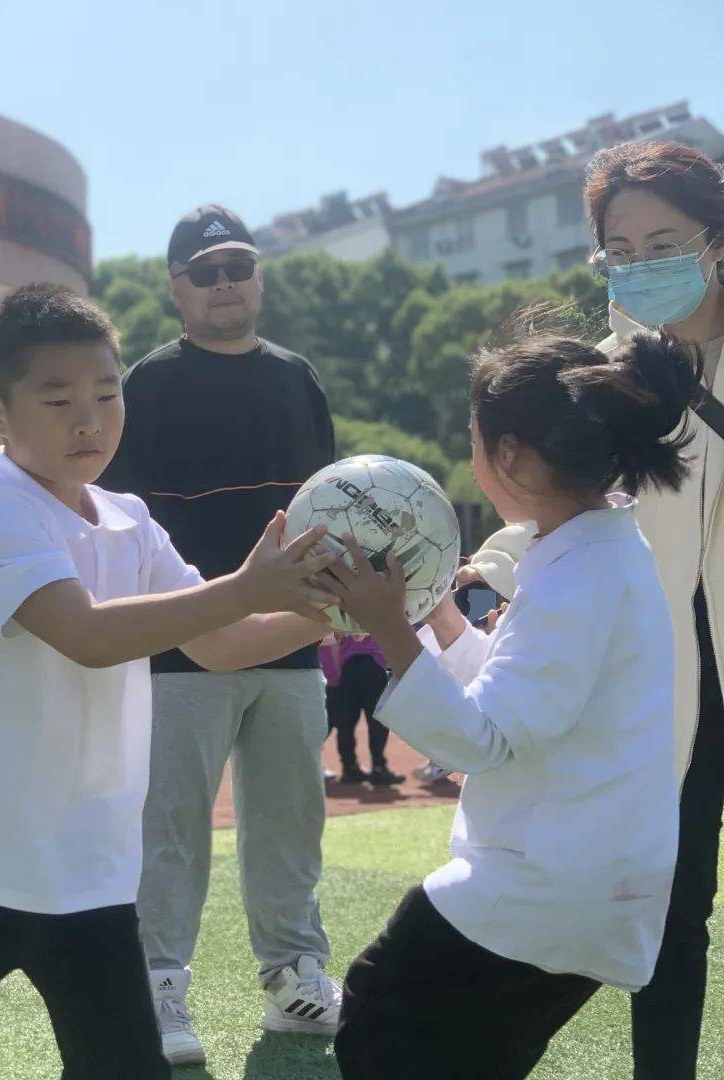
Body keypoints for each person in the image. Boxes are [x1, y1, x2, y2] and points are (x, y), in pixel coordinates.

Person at [0, 284, 337, 1080]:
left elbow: (221, 645)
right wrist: (250, 584)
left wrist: (342, 615)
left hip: (87, 872)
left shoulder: (130, 516)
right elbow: (87, 635)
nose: (89, 420)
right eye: (57, 399)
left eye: (106, 393)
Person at [327, 328, 695, 1079]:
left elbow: (485, 736)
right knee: (467, 1054)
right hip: (582, 881)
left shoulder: (576, 576)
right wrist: (440, 619)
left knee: (376, 1015)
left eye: (474, 438)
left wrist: (392, 626)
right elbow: (529, 690)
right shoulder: (595, 550)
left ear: (513, 456)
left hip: (550, 884)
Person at [466, 141, 724, 1080]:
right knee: (671, 899)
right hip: (660, 675)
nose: (644, 262)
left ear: (717, 240)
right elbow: (557, 504)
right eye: (623, 247)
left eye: (667, 239)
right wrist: (482, 571)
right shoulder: (603, 376)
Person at [99, 204, 339, 1065]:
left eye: (238, 265)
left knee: (291, 820)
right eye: (206, 271)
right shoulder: (147, 384)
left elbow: (331, 507)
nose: (225, 282)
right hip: (182, 646)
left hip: (293, 643)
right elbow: (121, 520)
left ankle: (294, 975)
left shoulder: (298, 378)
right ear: (177, 288)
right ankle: (159, 984)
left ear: (258, 274)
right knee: (171, 827)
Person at [320, 636, 402, 785]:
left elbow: (334, 644)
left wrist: (337, 675)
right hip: (373, 665)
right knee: (377, 721)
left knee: (346, 723)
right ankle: (378, 768)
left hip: (348, 666)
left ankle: (349, 767)